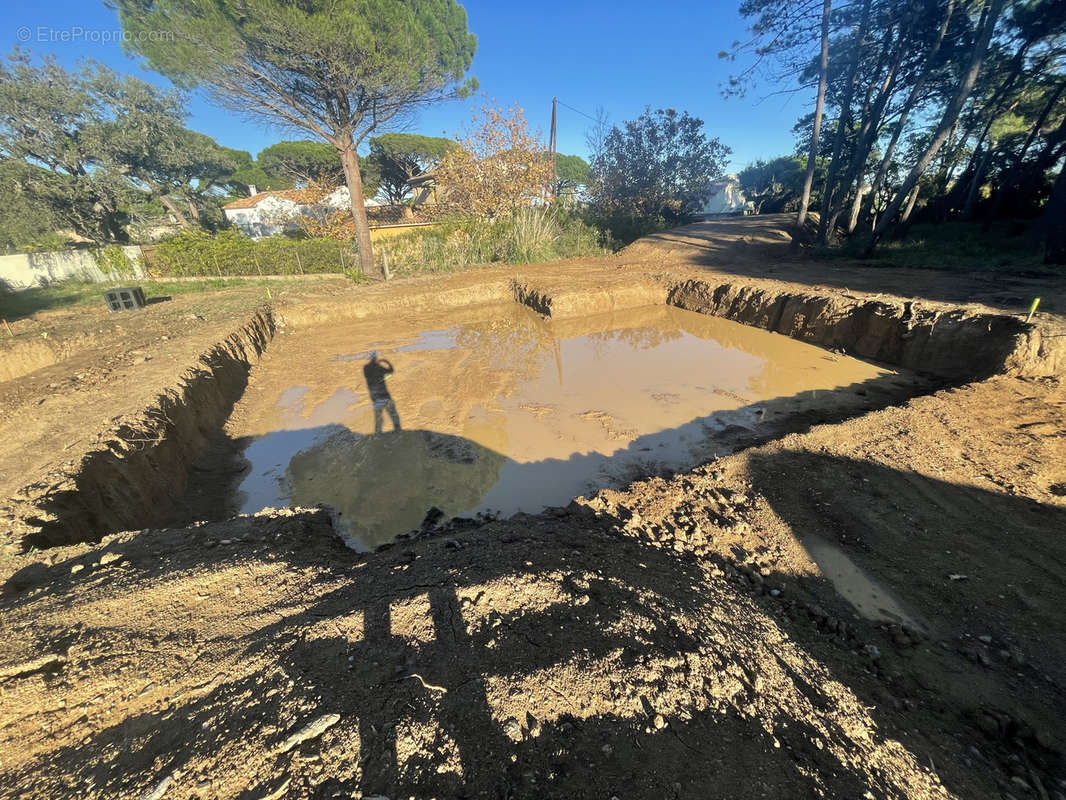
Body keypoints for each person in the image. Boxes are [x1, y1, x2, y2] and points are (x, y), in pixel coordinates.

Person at [363, 351, 401, 433]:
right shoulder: (380, 368)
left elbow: (371, 375)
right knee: (394, 416)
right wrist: (386, 362)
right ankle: (398, 432)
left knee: (378, 420)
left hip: (375, 398)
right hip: (384, 396)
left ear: (369, 358)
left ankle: (378, 436)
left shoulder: (365, 368)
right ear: (376, 358)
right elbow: (391, 371)